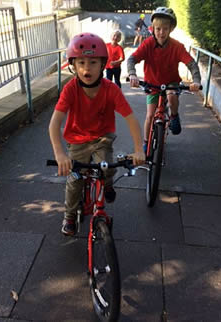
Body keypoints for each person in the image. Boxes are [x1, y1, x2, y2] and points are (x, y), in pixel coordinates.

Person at [49, 33, 145, 236]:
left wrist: (138, 150)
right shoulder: (70, 90)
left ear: (103, 64)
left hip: (102, 137)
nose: (86, 68)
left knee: (107, 167)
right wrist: (60, 155)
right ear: (73, 65)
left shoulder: (110, 89)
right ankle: (69, 215)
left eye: (93, 62)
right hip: (77, 140)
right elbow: (55, 123)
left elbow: (131, 118)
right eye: (81, 62)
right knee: (75, 179)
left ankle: (107, 185)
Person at [127, 7, 202, 153]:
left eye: (165, 29)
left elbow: (191, 64)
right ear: (153, 29)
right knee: (150, 115)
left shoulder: (177, 47)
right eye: (158, 29)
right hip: (152, 84)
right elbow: (132, 59)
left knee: (172, 96)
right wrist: (132, 74)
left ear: (171, 29)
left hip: (171, 83)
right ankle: (146, 143)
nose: (161, 32)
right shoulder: (148, 44)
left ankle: (174, 116)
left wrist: (196, 81)